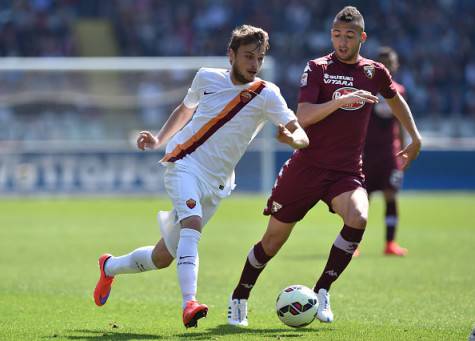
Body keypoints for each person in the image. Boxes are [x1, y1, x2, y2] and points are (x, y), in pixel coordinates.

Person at [93, 25, 309, 329]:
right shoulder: (206, 76)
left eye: (259, 58)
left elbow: (298, 130)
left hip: (218, 183)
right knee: (192, 224)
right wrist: (158, 139)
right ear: (231, 55)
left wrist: (295, 140)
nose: (254, 64)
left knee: (163, 256)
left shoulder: (266, 94)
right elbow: (185, 109)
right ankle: (189, 303)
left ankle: (110, 266)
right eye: (248, 56)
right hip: (184, 163)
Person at [227, 6, 421, 327]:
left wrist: (414, 135)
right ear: (331, 35)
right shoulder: (318, 68)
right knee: (272, 241)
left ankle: (322, 290)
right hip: (306, 167)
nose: (342, 42)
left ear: (362, 37)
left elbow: (395, 99)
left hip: (345, 172)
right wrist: (340, 101)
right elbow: (303, 116)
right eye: (336, 35)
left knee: (358, 217)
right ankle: (240, 296)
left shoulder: (374, 72)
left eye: (349, 36)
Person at [362, 46, 408, 256]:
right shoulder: (366, 90)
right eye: (382, 62)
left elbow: (401, 122)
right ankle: (354, 245)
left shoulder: (399, 91)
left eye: (389, 62)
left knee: (391, 195)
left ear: (395, 65)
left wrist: (405, 149)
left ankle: (390, 244)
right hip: (365, 153)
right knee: (362, 200)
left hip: (389, 153)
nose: (386, 66)